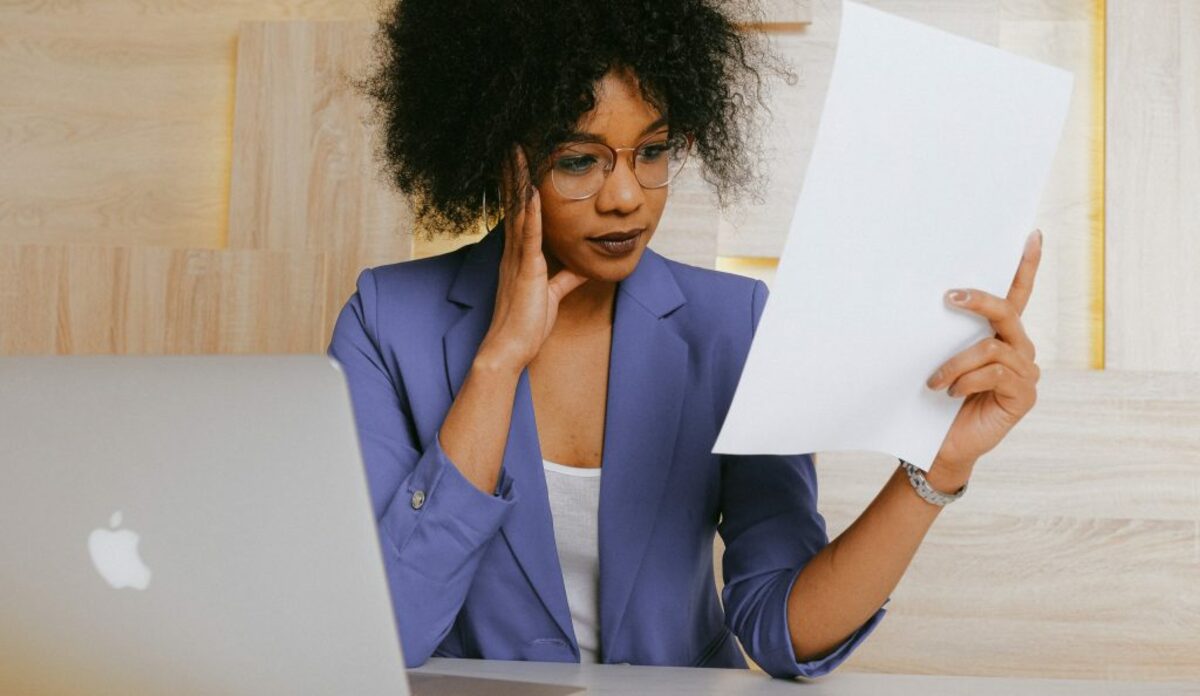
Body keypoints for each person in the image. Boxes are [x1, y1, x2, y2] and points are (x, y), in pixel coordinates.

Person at [328, 0, 1043, 681]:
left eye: (653, 151)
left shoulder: (731, 325)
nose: (626, 196)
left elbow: (783, 632)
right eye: (579, 160)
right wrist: (499, 360)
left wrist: (936, 467)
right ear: (499, 155)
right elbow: (390, 629)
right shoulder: (387, 323)